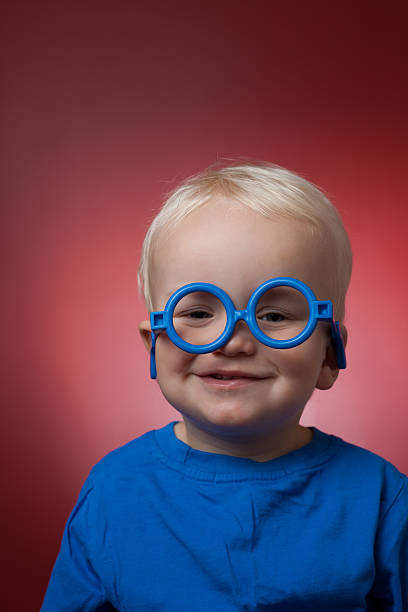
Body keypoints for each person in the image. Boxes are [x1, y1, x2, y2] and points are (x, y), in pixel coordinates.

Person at [40, 161, 408, 611]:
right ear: (153, 348)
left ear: (329, 353)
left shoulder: (382, 499)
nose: (234, 342)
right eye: (196, 313)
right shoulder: (113, 491)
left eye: (274, 316)